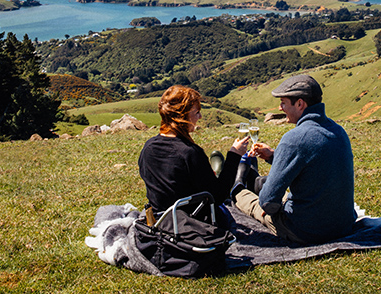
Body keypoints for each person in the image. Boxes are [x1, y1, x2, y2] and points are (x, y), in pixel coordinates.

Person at [231, 74, 356, 244]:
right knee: (281, 194)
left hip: (307, 230)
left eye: (283, 102)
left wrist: (271, 207)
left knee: (252, 203)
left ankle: (237, 187)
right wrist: (275, 157)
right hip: (343, 225)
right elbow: (314, 166)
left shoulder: (294, 138)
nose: (280, 108)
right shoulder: (339, 131)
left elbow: (267, 203)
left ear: (300, 104)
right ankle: (254, 181)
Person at [138, 85, 249, 215]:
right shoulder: (189, 153)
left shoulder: (148, 147)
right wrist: (234, 155)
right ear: (183, 117)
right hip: (192, 221)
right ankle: (235, 179)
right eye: (196, 112)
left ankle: (215, 173)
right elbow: (218, 196)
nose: (200, 117)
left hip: (161, 220)